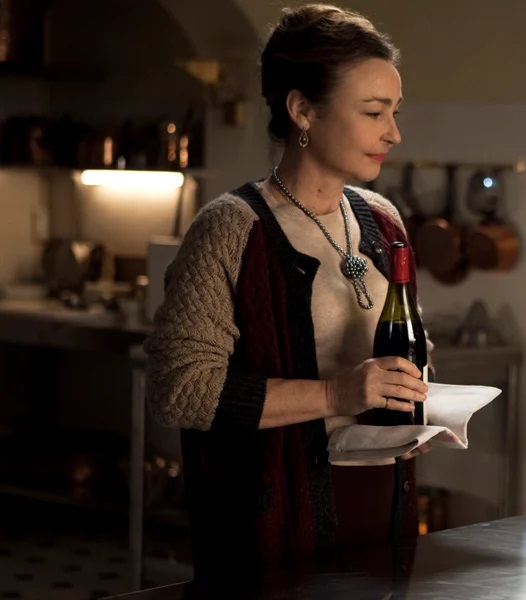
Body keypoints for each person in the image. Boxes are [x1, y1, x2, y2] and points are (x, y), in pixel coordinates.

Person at [144, 4, 436, 577]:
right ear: (302, 109)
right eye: (373, 112)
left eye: (395, 112)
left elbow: (413, 348)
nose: (393, 133)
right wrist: (335, 396)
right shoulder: (232, 228)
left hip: (383, 519)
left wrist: (421, 405)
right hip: (270, 535)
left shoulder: (383, 220)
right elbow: (180, 390)